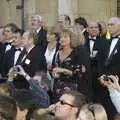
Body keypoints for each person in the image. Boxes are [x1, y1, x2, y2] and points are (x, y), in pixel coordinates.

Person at [52, 29, 92, 102]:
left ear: (71, 39)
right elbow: (53, 68)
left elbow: (80, 73)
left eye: (65, 37)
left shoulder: (76, 53)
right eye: (61, 37)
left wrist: (64, 70)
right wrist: (53, 73)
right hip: (57, 88)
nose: (62, 39)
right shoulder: (57, 52)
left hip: (72, 89)